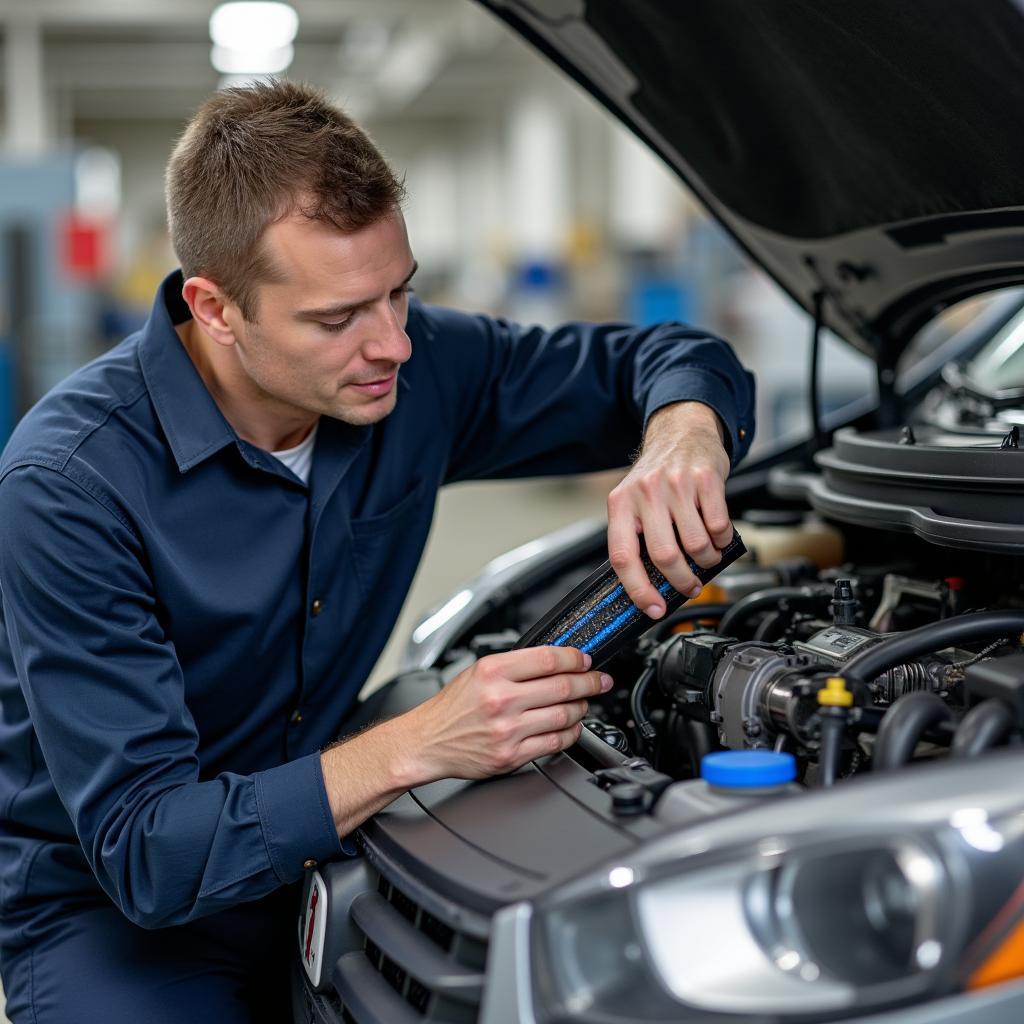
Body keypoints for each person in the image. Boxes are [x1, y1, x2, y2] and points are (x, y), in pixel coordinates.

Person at [0, 80, 754, 1022]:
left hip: (336, 838)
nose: (392, 343)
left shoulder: (415, 367)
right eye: (337, 316)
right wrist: (425, 742)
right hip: (120, 922)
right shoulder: (70, 484)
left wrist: (686, 433)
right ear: (216, 306)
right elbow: (149, 850)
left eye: (401, 291)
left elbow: (663, 358)